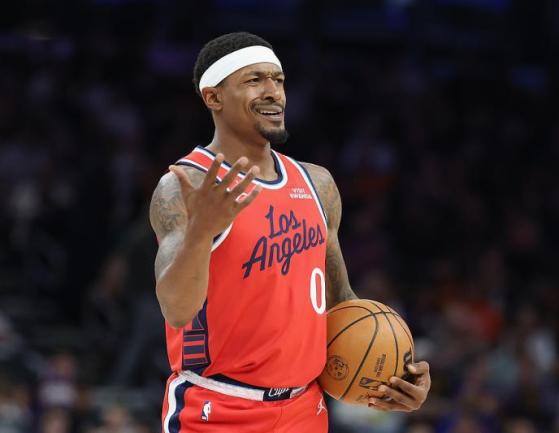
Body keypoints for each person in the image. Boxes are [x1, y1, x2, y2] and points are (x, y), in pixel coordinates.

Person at [149, 32, 431, 432]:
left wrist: (391, 377)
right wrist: (201, 231)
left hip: (304, 410)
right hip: (217, 409)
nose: (273, 92)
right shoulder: (185, 185)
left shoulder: (317, 183)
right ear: (213, 97)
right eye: (254, 80)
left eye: (278, 80)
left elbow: (342, 302)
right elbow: (176, 310)